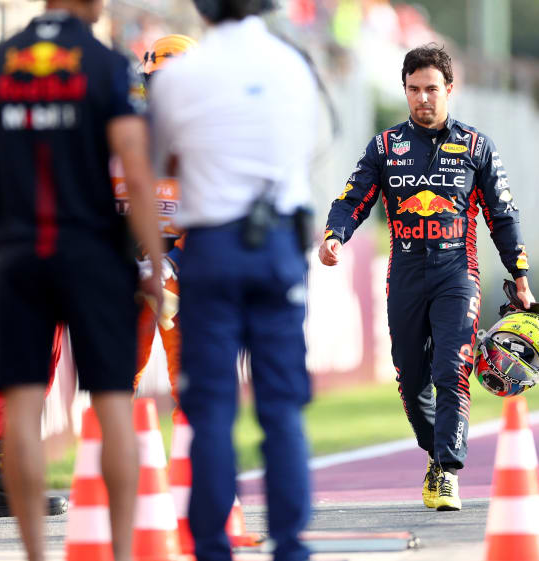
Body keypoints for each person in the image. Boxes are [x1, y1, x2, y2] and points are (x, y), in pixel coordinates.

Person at [0, 0, 164, 558]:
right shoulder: (108, 64)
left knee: (22, 402)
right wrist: (155, 264)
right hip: (93, 253)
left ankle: (35, 555)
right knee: (112, 403)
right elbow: (136, 169)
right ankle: (119, 551)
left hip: (19, 253)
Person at [319, 44, 534, 512]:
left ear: (449, 90)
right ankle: (436, 454)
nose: (423, 99)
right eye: (414, 90)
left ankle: (448, 470)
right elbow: (353, 197)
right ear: (405, 90)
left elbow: (503, 215)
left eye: (432, 89)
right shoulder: (385, 146)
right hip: (406, 273)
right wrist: (336, 234)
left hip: (458, 270)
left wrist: (519, 275)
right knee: (411, 379)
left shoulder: (478, 147)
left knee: (451, 370)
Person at [148, 1, 318, 559]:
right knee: (281, 405)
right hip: (277, 242)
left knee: (212, 408)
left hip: (210, 244)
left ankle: (212, 547)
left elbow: (158, 164)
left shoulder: (180, 77)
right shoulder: (291, 63)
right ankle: (290, 543)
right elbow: (308, 148)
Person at [0, 197, 69, 519]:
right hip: (31, 247)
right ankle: (10, 484)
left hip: (14, 246)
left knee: (19, 368)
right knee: (28, 372)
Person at [114, 34, 196, 408]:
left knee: (190, 378)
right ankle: (108, 466)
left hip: (181, 270)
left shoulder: (206, 139)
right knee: (116, 377)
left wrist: (173, 261)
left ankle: (192, 465)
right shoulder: (121, 133)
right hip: (127, 266)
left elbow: (215, 214)